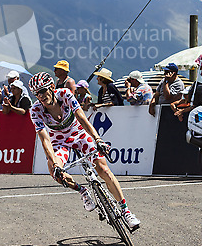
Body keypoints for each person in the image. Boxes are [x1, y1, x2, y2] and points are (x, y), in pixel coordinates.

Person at [28, 72, 140, 229]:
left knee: (104, 170)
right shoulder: (35, 110)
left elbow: (82, 117)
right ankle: (82, 191)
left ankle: (126, 212)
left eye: (42, 90)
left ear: (52, 87)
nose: (40, 96)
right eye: (36, 93)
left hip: (79, 134)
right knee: (54, 170)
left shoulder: (65, 94)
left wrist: (97, 139)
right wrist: (56, 164)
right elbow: (45, 139)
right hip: (59, 141)